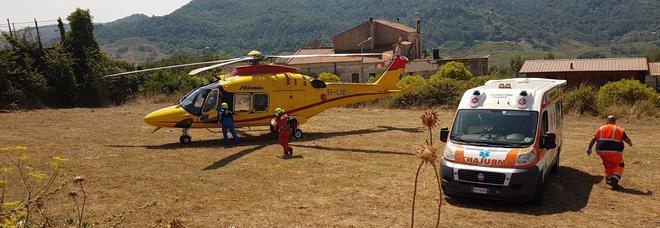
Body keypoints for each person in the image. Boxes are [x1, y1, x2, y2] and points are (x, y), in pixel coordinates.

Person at [586, 115, 633, 188]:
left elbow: (593, 139)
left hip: (600, 150)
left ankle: (608, 178)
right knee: (620, 164)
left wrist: (589, 148)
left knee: (608, 164)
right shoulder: (619, 129)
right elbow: (626, 139)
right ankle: (615, 178)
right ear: (615, 121)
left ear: (607, 121)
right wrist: (630, 144)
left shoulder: (600, 128)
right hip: (615, 151)